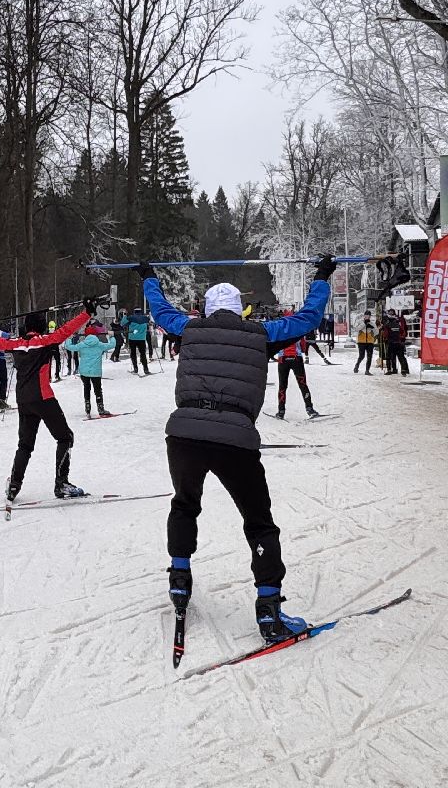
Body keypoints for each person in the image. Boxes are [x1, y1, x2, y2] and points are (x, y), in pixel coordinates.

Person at [140, 255, 336, 643]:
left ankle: (179, 577)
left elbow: (161, 311)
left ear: (207, 310)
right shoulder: (262, 333)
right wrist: (322, 277)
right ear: (239, 309)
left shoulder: (189, 328)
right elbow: (309, 318)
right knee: (258, 522)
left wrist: (149, 277)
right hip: (235, 437)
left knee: (184, 503)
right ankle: (269, 609)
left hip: (186, 432)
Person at [0, 300, 93, 501]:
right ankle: (61, 483)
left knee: (25, 446)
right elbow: (66, 330)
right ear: (41, 327)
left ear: (26, 328)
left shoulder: (15, 344)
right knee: (65, 437)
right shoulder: (45, 341)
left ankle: (13, 486)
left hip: (24, 401)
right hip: (43, 398)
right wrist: (87, 313)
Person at [63, 321, 116, 418]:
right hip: (96, 372)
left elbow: (69, 347)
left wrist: (69, 338)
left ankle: (88, 408)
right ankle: (101, 409)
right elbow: (111, 345)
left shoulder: (82, 345)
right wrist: (111, 336)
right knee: (98, 390)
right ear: (95, 334)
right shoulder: (99, 344)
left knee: (86, 388)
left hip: (84, 372)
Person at [272, 318, 321, 419]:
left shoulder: (279, 332)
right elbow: (303, 347)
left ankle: (281, 411)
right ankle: (310, 409)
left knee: (282, 386)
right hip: (296, 359)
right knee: (303, 385)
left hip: (283, 360)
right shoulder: (298, 331)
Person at [380, 310, 410, 375]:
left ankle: (390, 369)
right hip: (398, 342)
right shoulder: (398, 325)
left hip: (391, 342)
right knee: (400, 356)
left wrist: (385, 338)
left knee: (389, 356)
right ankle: (403, 369)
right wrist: (401, 338)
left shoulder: (387, 325)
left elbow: (385, 334)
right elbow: (403, 332)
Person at [125, 307, 152, 374]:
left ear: (134, 311)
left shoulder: (131, 318)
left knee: (133, 354)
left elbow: (123, 323)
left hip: (132, 338)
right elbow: (151, 324)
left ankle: (135, 368)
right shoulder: (146, 318)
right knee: (143, 354)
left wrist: (125, 315)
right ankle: (146, 369)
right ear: (141, 311)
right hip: (142, 339)